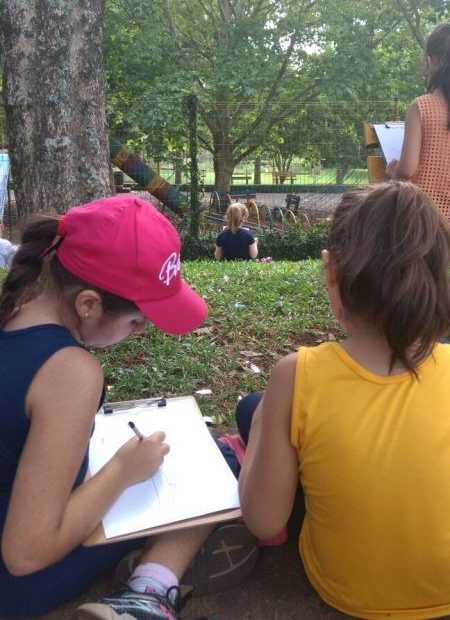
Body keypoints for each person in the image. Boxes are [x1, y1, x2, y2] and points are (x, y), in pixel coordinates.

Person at [0, 194, 257, 620]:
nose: (141, 332)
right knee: (217, 464)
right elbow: (25, 553)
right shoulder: (69, 370)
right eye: (137, 321)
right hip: (15, 580)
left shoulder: (13, 311)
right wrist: (122, 470)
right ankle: (148, 590)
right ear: (88, 304)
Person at [237, 181, 450, 619]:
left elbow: (263, 521)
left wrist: (266, 419)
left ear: (330, 271)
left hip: (347, 594)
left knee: (251, 409)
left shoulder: (296, 373)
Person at [386, 22, 450, 222]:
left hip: (424, 221)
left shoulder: (421, 107)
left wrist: (393, 171)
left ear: (430, 62)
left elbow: (407, 170)